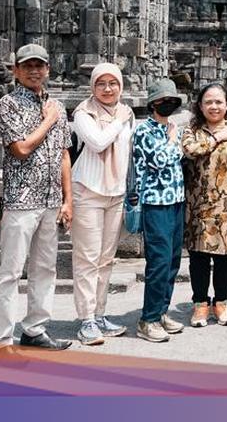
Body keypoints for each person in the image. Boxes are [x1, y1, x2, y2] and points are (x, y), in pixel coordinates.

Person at [0, 43, 73, 350]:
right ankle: (0, 339)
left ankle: (35, 328)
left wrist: (69, 200)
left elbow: (65, 154)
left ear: (48, 69)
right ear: (16, 71)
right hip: (21, 200)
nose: (35, 71)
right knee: (11, 271)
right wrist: (48, 121)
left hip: (52, 201)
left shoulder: (58, 105)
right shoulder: (8, 105)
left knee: (45, 268)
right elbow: (20, 149)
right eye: (28, 66)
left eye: (40, 65)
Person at [70, 63, 135, 345]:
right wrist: (119, 121)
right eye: (101, 84)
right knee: (87, 258)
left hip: (116, 192)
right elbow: (96, 143)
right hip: (88, 191)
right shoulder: (83, 113)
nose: (108, 89)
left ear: (120, 86)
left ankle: (99, 314)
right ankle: (86, 320)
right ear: (92, 87)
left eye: (113, 83)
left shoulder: (128, 113)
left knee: (107, 259)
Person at [182, 83, 227, 328]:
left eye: (218, 102)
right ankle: (200, 304)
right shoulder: (192, 130)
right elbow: (190, 152)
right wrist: (216, 137)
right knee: (199, 256)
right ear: (200, 106)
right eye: (208, 102)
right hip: (197, 204)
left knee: (225, 257)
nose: (213, 106)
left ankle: (222, 302)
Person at [129, 79, 188, 342]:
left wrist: (174, 138)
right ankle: (148, 319)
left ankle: (161, 311)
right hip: (155, 202)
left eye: (173, 101)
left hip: (176, 200)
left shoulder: (170, 128)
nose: (169, 104)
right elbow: (160, 161)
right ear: (153, 104)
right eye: (164, 100)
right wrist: (174, 140)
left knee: (173, 261)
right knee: (159, 262)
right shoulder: (145, 131)